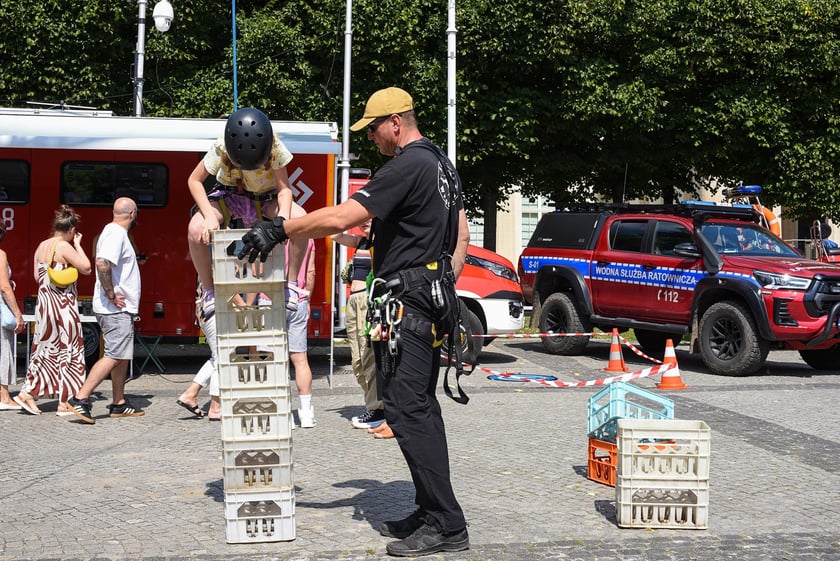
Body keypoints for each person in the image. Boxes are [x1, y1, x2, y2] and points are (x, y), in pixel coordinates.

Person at [239, 87, 471, 556]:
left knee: (407, 411)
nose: (375, 142)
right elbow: (461, 232)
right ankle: (430, 511)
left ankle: (448, 524)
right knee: (417, 407)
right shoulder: (443, 166)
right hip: (424, 298)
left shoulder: (407, 164)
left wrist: (278, 228)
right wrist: (443, 282)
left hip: (409, 303)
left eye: (375, 132)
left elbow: (345, 215)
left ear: (396, 123)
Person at [187, 107, 307, 319]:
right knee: (195, 229)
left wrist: (283, 221)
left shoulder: (275, 147)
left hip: (265, 199)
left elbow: (285, 190)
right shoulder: (221, 146)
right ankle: (209, 291)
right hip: (229, 197)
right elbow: (194, 180)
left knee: (301, 220)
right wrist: (207, 215)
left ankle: (291, 284)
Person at [64, 197, 144, 424]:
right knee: (114, 354)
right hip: (114, 308)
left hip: (120, 308)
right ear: (133, 214)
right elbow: (102, 263)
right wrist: (110, 293)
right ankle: (81, 397)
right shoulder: (115, 233)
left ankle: (118, 403)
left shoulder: (115, 233)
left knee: (122, 355)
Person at [16, 205, 92, 416]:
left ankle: (28, 392)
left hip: (44, 306)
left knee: (45, 350)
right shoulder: (64, 246)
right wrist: (78, 245)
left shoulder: (41, 246)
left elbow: (36, 277)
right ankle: (65, 400)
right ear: (71, 230)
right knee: (69, 350)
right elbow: (86, 268)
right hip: (62, 306)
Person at [331, 220, 387, 431]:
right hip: (353, 301)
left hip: (367, 300)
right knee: (356, 361)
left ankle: (377, 409)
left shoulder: (380, 242)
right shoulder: (362, 242)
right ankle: (373, 404)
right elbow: (334, 235)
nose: (365, 223)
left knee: (367, 356)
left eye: (370, 219)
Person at [176, 286, 221, 420]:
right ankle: (215, 407)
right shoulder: (220, 264)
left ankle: (191, 394)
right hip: (216, 310)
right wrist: (244, 306)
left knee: (217, 358)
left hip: (207, 308)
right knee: (222, 359)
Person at [0, 222, 25, 411]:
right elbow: (4, 287)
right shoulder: (0, 255)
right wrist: (18, 314)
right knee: (3, 350)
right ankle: (4, 397)